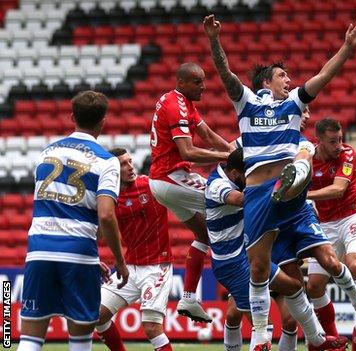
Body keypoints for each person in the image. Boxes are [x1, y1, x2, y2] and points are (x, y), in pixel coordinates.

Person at [204, 14, 356, 351]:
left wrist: (347, 48)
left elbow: (324, 76)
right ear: (266, 82)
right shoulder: (247, 103)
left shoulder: (296, 102)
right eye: (283, 75)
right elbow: (224, 73)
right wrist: (214, 40)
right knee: (258, 268)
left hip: (291, 197)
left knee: (330, 260)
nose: (290, 80)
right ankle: (259, 334)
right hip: (258, 194)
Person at [17, 91, 129, 351]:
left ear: (72, 117)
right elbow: (105, 214)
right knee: (80, 340)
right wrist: (119, 262)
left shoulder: (46, 153)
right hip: (78, 253)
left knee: (30, 339)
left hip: (39, 251)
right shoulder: (106, 161)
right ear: (103, 121)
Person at [148, 62, 232, 322]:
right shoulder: (176, 105)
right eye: (197, 82)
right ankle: (235, 286)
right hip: (172, 178)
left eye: (203, 81)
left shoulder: (181, 102)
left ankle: (188, 299)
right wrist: (227, 156)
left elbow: (207, 134)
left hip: (165, 182)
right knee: (234, 204)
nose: (203, 86)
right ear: (181, 82)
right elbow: (188, 152)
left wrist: (234, 152)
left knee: (205, 234)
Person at [205, 149, 300, 351]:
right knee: (262, 326)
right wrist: (273, 189)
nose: (248, 179)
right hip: (232, 263)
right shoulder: (216, 184)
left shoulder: (235, 174)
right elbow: (239, 199)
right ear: (233, 173)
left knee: (294, 288)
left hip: (252, 256)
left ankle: (317, 336)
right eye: (245, 175)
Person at [305, 117, 356, 350]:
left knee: (354, 262)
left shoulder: (347, 154)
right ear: (318, 141)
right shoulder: (306, 159)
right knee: (315, 286)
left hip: (353, 217)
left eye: (340, 139)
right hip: (326, 225)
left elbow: (338, 190)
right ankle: (334, 340)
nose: (339, 145)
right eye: (332, 141)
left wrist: (304, 196)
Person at [94, 148, 174, 351]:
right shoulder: (108, 197)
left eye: (130, 161)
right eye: (123, 164)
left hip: (157, 266)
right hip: (129, 268)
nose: (130, 167)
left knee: (152, 327)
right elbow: (99, 234)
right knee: (96, 314)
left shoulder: (150, 185)